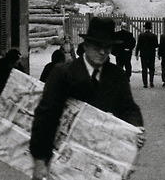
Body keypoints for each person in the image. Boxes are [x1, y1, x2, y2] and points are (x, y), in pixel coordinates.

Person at [30, 17, 145, 180]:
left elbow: (128, 108)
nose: (103, 52)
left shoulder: (117, 75)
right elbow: (46, 116)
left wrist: (136, 127)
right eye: (98, 46)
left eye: (107, 47)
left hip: (102, 162)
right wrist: (40, 160)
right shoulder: (63, 73)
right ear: (86, 45)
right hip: (64, 162)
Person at [135, 21, 158, 88]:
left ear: (145, 28)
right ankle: (151, 82)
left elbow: (138, 45)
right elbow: (156, 45)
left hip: (143, 54)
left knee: (144, 68)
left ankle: (145, 83)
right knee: (151, 68)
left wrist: (137, 53)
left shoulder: (141, 35)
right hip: (151, 53)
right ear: (150, 28)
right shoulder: (154, 36)